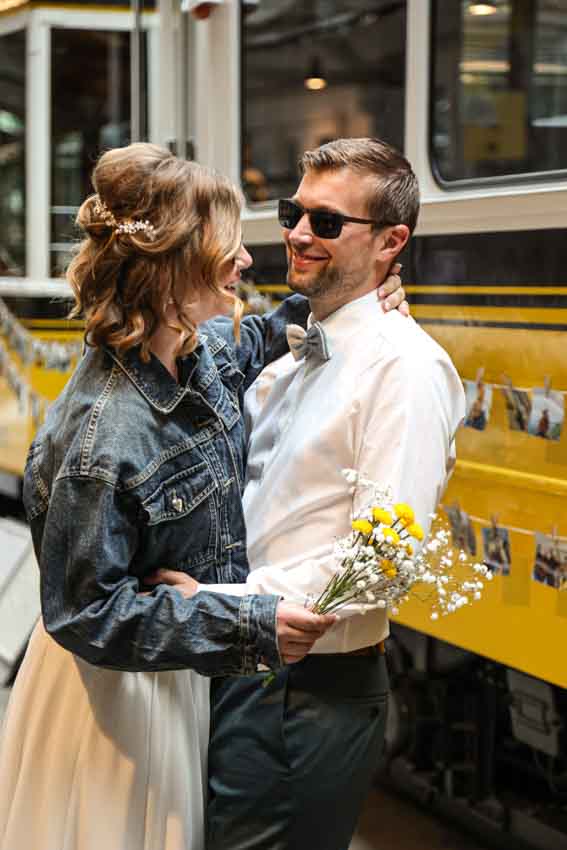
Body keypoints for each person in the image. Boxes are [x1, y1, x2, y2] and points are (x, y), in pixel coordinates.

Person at [0, 143, 406, 850]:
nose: (246, 259)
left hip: (171, 679)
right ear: (174, 272)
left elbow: (261, 336)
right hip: (114, 704)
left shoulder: (194, 352)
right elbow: (83, 614)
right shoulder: (101, 435)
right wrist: (243, 622)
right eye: (227, 246)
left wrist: (350, 294)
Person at [153, 137, 465, 850]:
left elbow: (381, 558)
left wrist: (219, 603)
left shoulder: (405, 370)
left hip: (305, 693)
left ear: (391, 243)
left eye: (326, 222)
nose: (296, 234)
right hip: (244, 668)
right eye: (293, 213)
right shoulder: (290, 358)